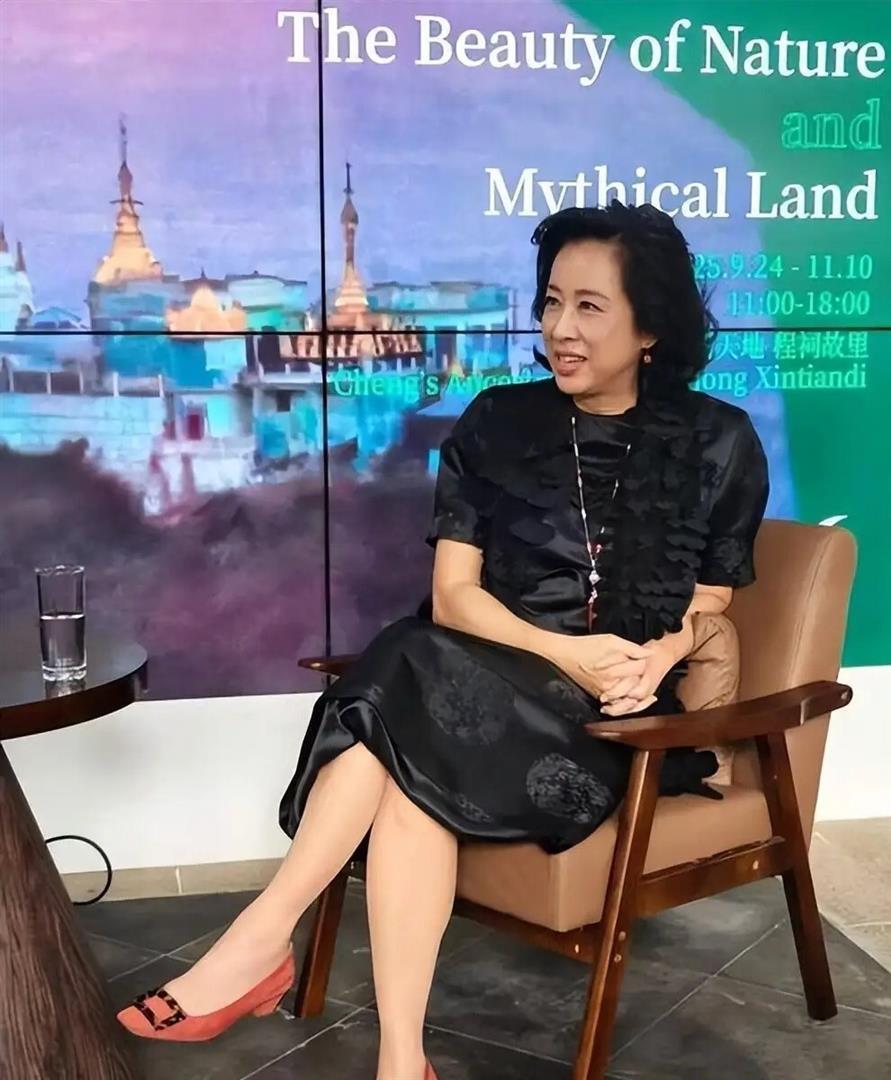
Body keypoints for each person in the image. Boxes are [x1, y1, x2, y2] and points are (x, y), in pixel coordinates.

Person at [117, 201, 769, 1080]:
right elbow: (454, 598)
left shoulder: (719, 440)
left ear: (649, 326)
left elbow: (711, 593)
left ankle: (262, 940)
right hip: (483, 684)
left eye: (588, 306)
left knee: (405, 693)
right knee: (417, 706)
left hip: (619, 723)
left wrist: (655, 655)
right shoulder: (496, 421)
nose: (559, 328)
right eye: (550, 302)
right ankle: (398, 1059)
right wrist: (565, 653)